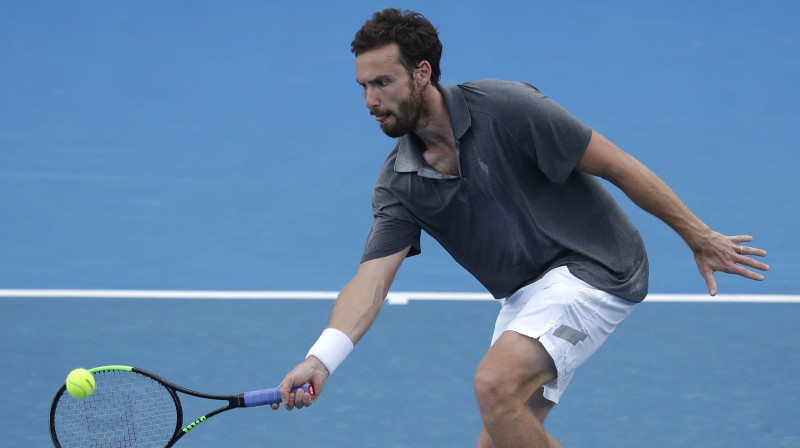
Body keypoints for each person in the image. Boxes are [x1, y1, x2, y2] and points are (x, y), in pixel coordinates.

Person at [273, 8, 769, 447]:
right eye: (362, 85)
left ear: (422, 73)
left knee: (494, 386)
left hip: (596, 267)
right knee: (503, 437)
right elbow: (370, 283)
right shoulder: (399, 183)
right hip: (528, 295)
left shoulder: (506, 107)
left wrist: (697, 235)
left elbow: (616, 164)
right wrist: (322, 358)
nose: (369, 100)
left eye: (382, 82)